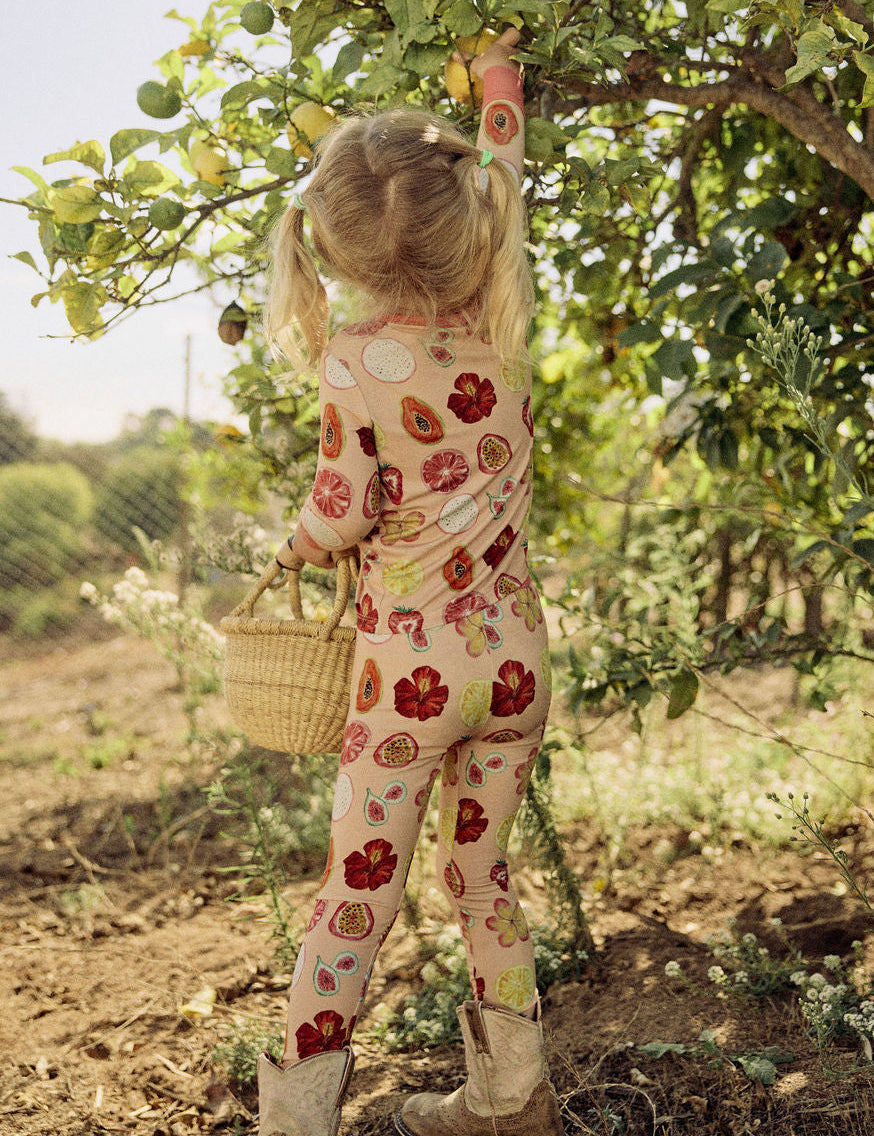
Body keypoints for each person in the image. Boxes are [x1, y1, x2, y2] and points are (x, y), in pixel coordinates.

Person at [258, 26, 564, 1136]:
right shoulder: (503, 322)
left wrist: (296, 546)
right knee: (482, 877)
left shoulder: (353, 360)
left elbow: (342, 511)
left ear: (336, 252)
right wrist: (497, 78)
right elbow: (505, 176)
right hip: (514, 665)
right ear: (466, 222)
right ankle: (510, 1098)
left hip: (410, 685)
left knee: (356, 897)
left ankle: (295, 1119)